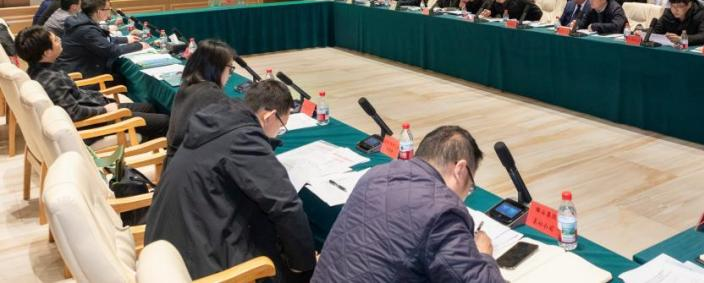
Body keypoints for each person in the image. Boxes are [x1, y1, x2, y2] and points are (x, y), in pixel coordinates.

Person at [145, 80, 315, 282]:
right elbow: (286, 205)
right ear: (269, 117)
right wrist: (302, 265)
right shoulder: (244, 139)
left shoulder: (217, 122)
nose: (279, 131)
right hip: (196, 261)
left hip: (166, 241)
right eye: (281, 126)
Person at [313, 125, 504, 282]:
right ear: (460, 169)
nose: (466, 193)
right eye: (470, 186)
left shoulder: (376, 173)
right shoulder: (442, 210)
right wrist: (484, 255)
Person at [15, 26, 168, 139]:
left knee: (149, 107)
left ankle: (149, 138)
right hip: (96, 121)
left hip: (95, 104)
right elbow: (74, 113)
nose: (60, 40)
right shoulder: (51, 79)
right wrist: (105, 110)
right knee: (165, 122)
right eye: (55, 40)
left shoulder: (38, 69)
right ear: (47, 52)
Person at [165, 39, 236, 163]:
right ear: (217, 67)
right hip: (192, 167)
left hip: (175, 162)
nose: (230, 74)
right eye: (230, 68)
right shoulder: (212, 95)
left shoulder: (188, 82)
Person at [58, 0, 146, 78]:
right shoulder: (87, 29)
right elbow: (111, 51)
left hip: (78, 68)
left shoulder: (82, 20)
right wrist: (139, 45)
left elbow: (101, 40)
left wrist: (126, 39)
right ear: (99, 11)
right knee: (122, 78)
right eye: (108, 9)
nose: (110, 12)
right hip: (81, 76)